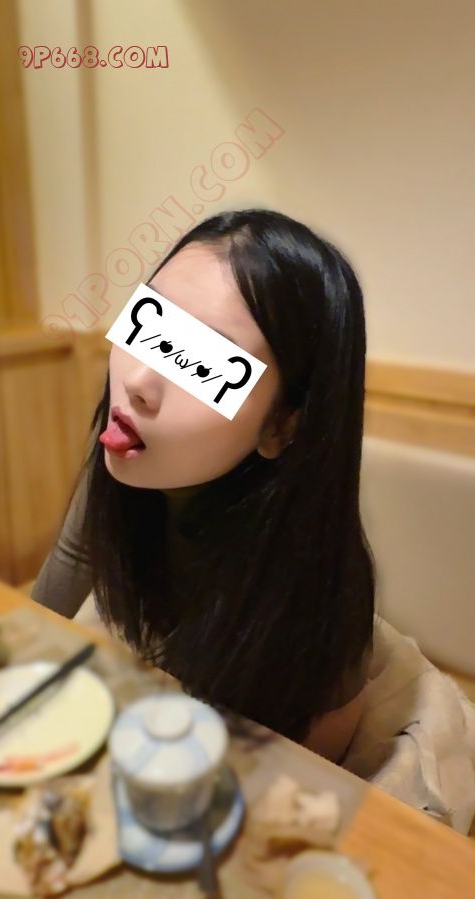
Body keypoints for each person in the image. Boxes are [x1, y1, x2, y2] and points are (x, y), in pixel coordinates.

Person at [31, 208, 377, 764]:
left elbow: (301, 779)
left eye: (201, 363)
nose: (137, 381)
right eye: (150, 325)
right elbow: (48, 615)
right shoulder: (123, 457)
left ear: (282, 427)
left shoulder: (323, 598)